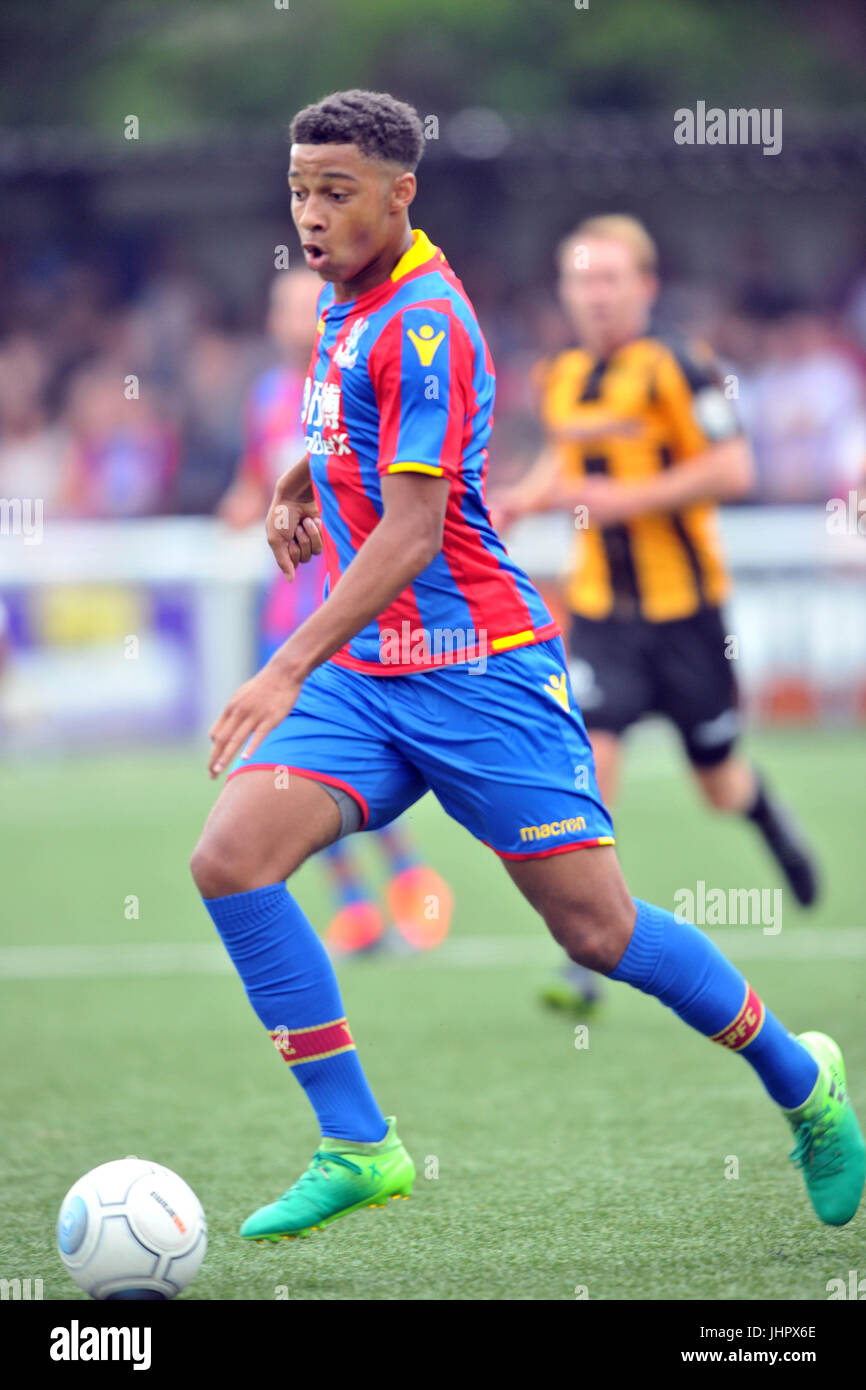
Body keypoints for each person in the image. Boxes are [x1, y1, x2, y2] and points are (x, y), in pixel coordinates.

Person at [190, 90, 864, 1243]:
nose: (309, 212)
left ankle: (802, 1085)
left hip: (480, 672)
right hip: (373, 676)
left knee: (595, 934)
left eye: (334, 191)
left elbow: (411, 534)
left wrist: (284, 665)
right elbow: (364, 429)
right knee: (230, 857)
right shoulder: (347, 306)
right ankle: (359, 1143)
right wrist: (306, 472)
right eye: (298, 189)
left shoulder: (426, 318)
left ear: (400, 193)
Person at [492, 215, 820, 1014]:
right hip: (605, 613)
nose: (595, 297)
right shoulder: (561, 375)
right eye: (581, 281)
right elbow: (567, 456)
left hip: (688, 614)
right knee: (592, 758)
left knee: (719, 783)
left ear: (644, 286)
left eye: (611, 280)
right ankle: (586, 944)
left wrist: (622, 500)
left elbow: (733, 466)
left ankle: (770, 819)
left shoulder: (682, 365)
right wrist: (524, 499)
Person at [218, 268, 452, 955]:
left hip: (350, 606)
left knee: (350, 758)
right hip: (285, 607)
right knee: (291, 763)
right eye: (283, 308)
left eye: (306, 306)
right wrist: (238, 511)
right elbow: (254, 480)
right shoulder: (266, 397)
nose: (297, 320)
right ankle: (355, 905)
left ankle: (413, 880)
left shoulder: (355, 382)